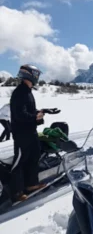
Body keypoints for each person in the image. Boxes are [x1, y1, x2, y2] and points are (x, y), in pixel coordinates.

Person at [9, 64, 46, 202]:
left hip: (31, 132)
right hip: (21, 134)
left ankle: (31, 184)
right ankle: (16, 192)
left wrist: (41, 112)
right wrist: (35, 117)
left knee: (34, 157)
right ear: (30, 75)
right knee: (19, 162)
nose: (37, 78)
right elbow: (20, 115)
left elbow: (28, 111)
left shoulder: (27, 91)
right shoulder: (19, 92)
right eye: (36, 75)